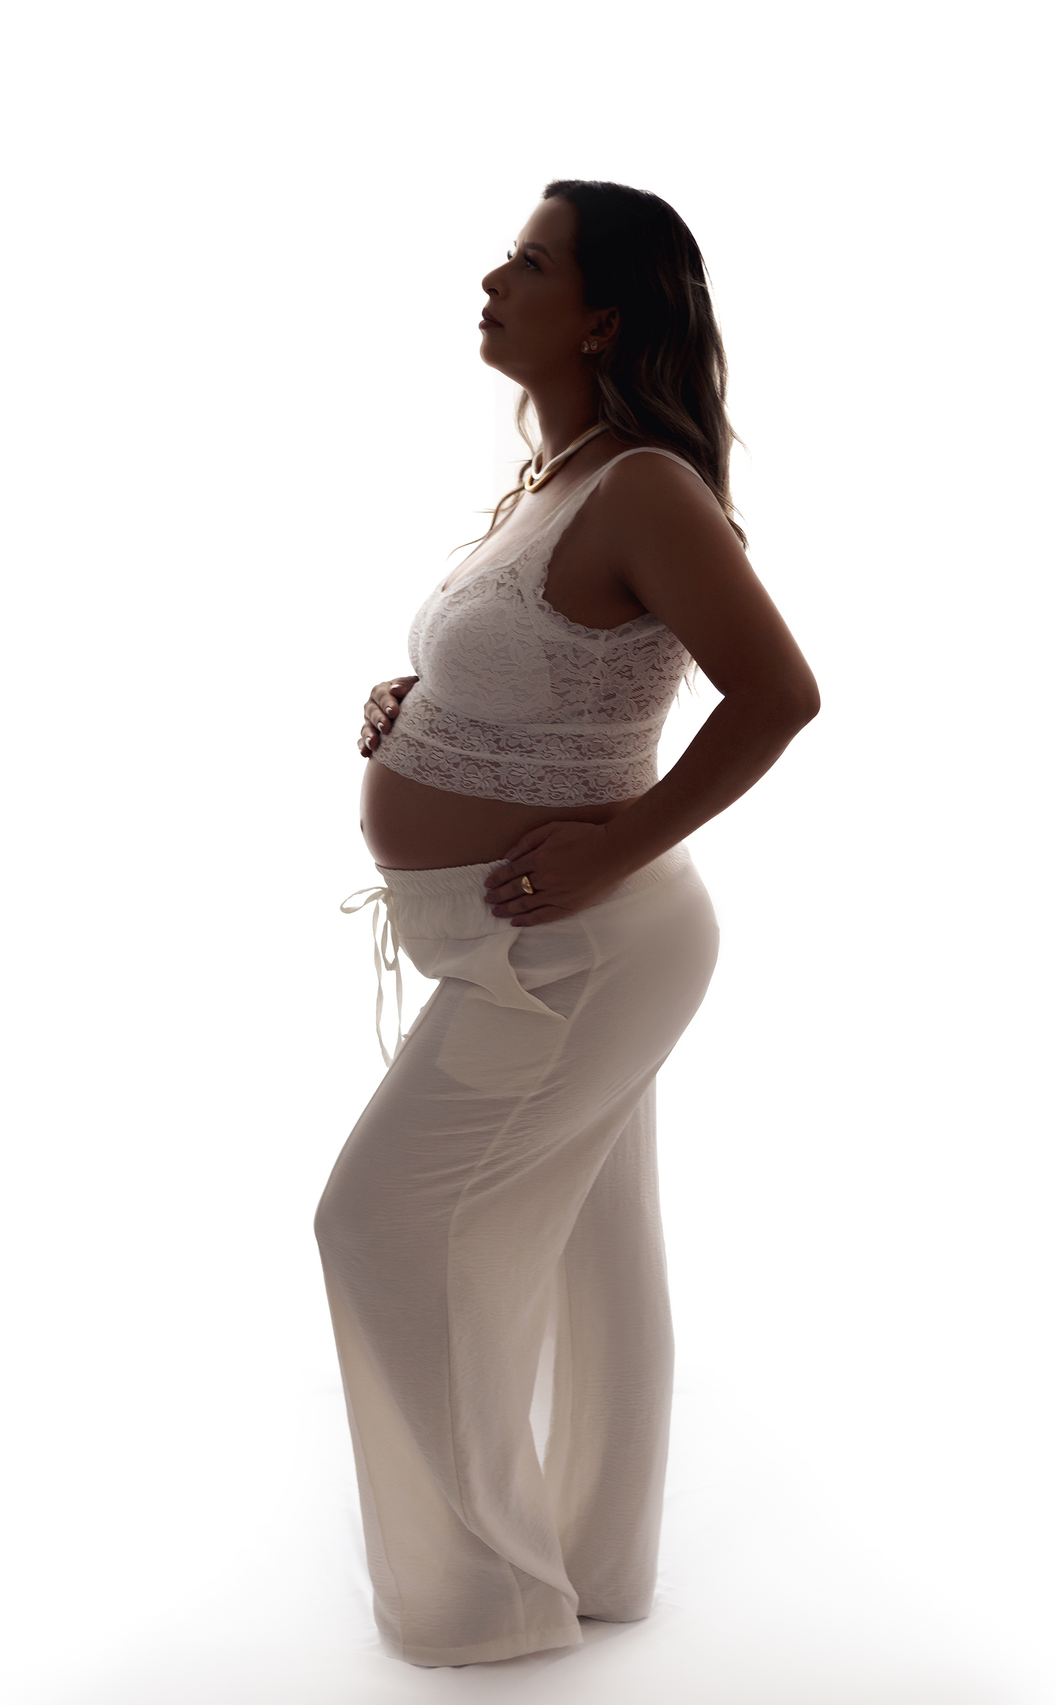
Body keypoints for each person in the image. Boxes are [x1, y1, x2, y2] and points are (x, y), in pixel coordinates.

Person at [314, 178, 820, 1669]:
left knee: (376, 1222)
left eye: (530, 263)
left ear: (601, 318)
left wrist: (621, 845)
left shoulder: (645, 484)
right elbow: (551, 667)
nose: (494, 278)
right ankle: (597, 1563)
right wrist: (421, 705)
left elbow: (780, 694)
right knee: (599, 1250)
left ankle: (483, 1603)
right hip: (543, 940)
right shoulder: (560, 474)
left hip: (587, 947)